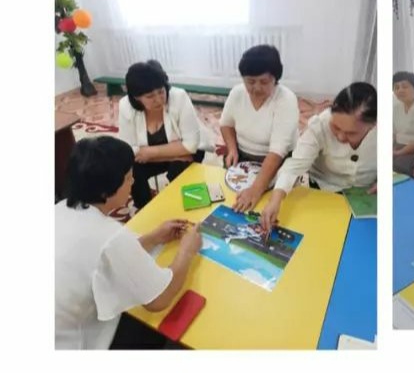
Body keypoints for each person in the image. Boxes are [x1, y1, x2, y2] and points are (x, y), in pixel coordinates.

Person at [55, 136, 202, 349]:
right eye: (128, 178)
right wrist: (187, 251)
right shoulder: (110, 235)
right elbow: (159, 299)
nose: (133, 182)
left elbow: (104, 258)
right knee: (165, 324)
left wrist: (153, 238)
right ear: (105, 191)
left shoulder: (59, 210)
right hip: (79, 343)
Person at [260, 82, 377, 231]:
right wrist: (275, 200)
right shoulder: (320, 124)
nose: (341, 137)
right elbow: (294, 166)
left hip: (367, 194)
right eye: (336, 127)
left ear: (372, 125)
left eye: (351, 133)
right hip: (325, 190)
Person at [218, 45, 300, 213]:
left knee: (269, 205)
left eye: (264, 82)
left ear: (275, 79)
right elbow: (226, 124)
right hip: (242, 155)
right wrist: (232, 149)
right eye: (250, 82)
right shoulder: (237, 93)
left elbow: (277, 151)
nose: (256, 88)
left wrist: (255, 190)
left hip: (277, 161)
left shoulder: (286, 100)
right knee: (232, 200)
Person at [117, 61, 209, 209]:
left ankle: (181, 208)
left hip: (190, 152)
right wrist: (173, 153)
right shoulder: (125, 106)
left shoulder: (179, 97)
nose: (159, 99)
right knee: (132, 171)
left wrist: (149, 153)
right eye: (150, 96)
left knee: (178, 171)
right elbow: (128, 149)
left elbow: (191, 145)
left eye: (161, 91)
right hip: (176, 154)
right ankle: (144, 210)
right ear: (136, 97)